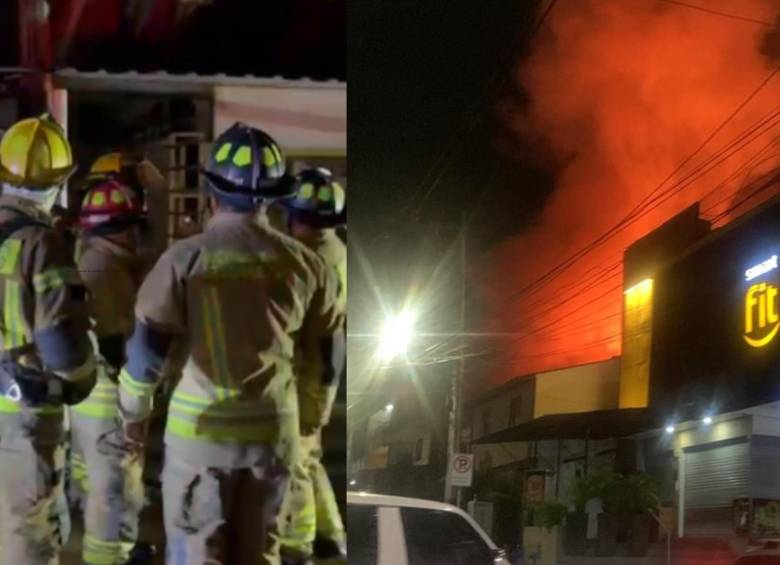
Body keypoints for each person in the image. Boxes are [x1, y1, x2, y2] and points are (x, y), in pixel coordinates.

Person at [116, 122, 344, 565]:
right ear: (275, 198)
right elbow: (328, 360)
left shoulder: (183, 260)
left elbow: (147, 358)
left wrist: (131, 418)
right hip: (273, 441)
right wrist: (311, 419)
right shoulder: (309, 266)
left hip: (200, 443)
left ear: (211, 194)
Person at [0, 114, 97, 563]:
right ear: (60, 184)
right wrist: (81, 380)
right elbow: (60, 343)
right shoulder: (42, 244)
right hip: (21, 418)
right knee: (25, 536)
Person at [71, 178, 153, 564]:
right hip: (109, 397)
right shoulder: (108, 272)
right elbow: (121, 346)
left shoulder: (94, 259)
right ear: (123, 229)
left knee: (98, 484)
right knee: (113, 491)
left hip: (88, 394)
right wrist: (135, 410)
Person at [278, 168, 347, 565]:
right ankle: (329, 535)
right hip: (321, 370)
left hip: (311, 372)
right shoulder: (334, 249)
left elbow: (320, 334)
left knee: (296, 460)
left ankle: (296, 544)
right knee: (311, 454)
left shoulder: (310, 259)